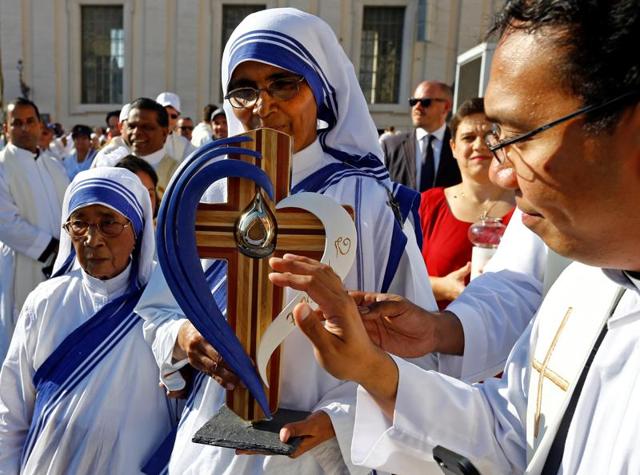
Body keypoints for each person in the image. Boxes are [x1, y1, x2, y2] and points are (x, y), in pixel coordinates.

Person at [269, 0, 640, 473]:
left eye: (519, 137)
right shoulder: (584, 285)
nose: (502, 173)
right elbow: (507, 432)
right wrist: (375, 366)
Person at [136, 7, 435, 474]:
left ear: (321, 88)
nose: (262, 105)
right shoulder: (207, 192)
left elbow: (418, 345)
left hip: (322, 446)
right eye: (244, 90)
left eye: (284, 84)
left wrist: (339, 419)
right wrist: (183, 337)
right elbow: (158, 308)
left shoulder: (372, 202)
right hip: (216, 443)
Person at [0, 167, 175, 473]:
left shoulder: (163, 301)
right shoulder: (45, 301)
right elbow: (11, 412)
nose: (93, 240)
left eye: (109, 223)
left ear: (136, 229)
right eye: (79, 224)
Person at [420, 97, 514, 309]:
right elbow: (398, 276)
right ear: (453, 147)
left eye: (490, 136)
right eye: (469, 137)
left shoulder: (527, 208)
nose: (479, 145)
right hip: (433, 335)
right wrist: (443, 287)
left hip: (509, 337)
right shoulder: (427, 204)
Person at [0, 98, 69, 363]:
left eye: (30, 121)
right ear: (7, 129)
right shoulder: (4, 166)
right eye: (17, 123)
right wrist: (49, 247)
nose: (24, 128)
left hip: (61, 262)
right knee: (22, 335)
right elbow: (6, 223)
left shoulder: (52, 164)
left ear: (40, 125)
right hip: (23, 264)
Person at [383, 81, 461, 192]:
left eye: (425, 102)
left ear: (446, 107)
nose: (417, 107)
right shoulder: (391, 146)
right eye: (413, 102)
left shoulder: (461, 146)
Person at [94, 98, 180, 199]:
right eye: (131, 126)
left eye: (146, 127)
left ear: (165, 132)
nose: (136, 132)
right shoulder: (113, 166)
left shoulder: (178, 174)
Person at [156, 91, 196, 162]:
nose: (168, 119)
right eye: (164, 114)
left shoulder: (185, 145)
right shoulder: (144, 140)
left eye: (173, 116)